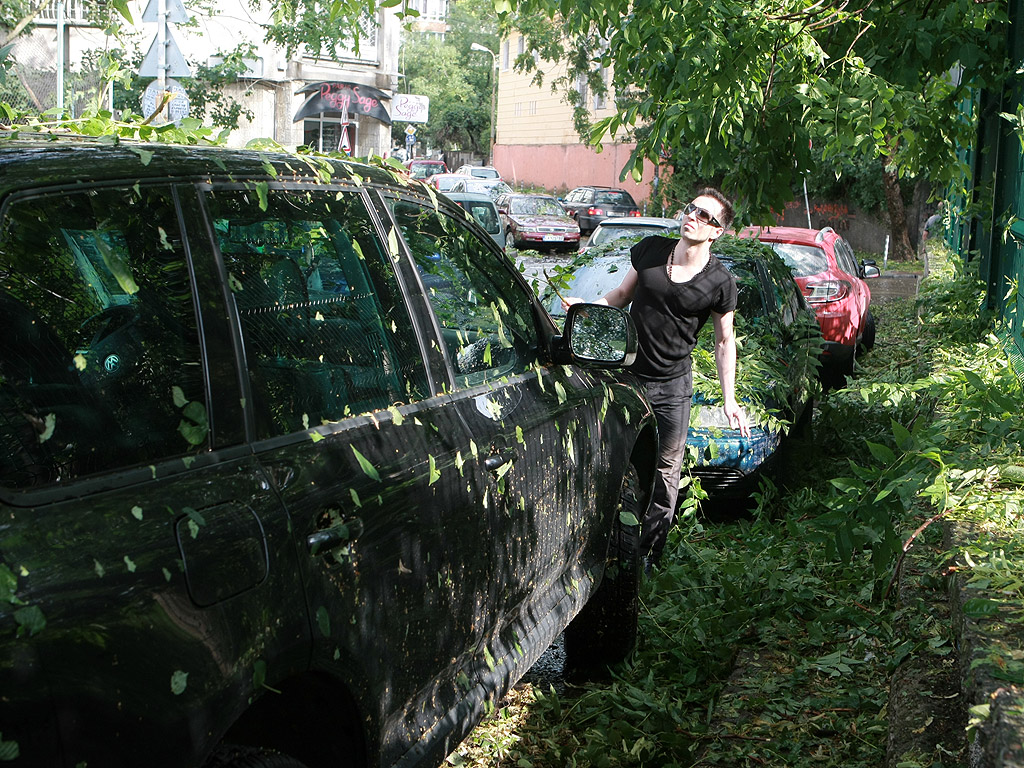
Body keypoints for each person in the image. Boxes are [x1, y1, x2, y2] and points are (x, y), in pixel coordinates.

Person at [563, 188, 749, 567]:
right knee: (617, 460)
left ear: (716, 232)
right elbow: (618, 296)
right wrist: (584, 308)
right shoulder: (650, 250)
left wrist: (730, 400)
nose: (692, 216)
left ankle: (648, 556)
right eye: (691, 208)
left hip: (673, 387)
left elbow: (724, 341)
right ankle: (605, 542)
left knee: (665, 473)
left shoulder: (720, 282)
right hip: (628, 377)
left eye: (704, 216)